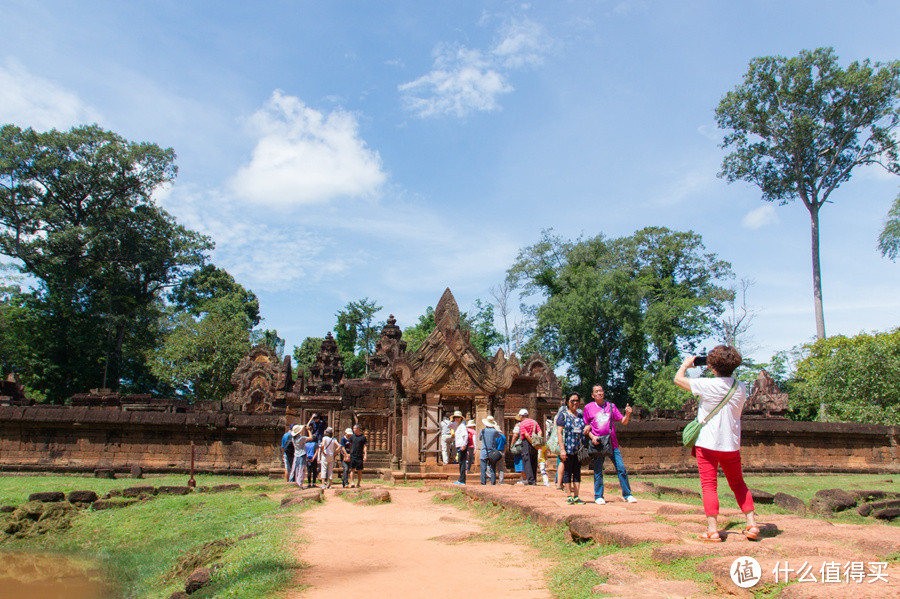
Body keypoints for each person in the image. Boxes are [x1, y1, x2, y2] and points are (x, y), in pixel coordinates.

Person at [674, 345, 759, 542]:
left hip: (707, 443)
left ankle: (713, 530)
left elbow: (678, 379)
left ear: (712, 366)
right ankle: (752, 524)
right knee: (738, 484)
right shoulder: (741, 387)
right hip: (731, 444)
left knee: (709, 486)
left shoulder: (707, 385)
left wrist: (685, 365)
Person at [583, 384, 637, 504]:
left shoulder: (611, 406)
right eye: (596, 391)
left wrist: (627, 414)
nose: (599, 393)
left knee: (621, 468)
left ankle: (627, 494)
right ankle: (598, 495)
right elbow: (586, 427)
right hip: (598, 443)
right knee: (598, 470)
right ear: (592, 395)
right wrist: (592, 437)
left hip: (612, 442)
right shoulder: (588, 408)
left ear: (604, 393)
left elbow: (623, 421)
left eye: (601, 391)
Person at [557, 393, 586, 504]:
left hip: (579, 449)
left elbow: (586, 427)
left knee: (577, 472)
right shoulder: (563, 416)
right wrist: (562, 449)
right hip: (568, 447)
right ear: (567, 402)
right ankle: (569, 495)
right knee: (568, 472)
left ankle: (577, 496)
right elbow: (559, 433)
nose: (575, 403)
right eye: (572, 400)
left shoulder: (581, 416)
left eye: (577, 400)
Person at [511, 408, 542, 485]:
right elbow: (540, 431)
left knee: (527, 461)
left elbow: (526, 435)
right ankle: (534, 479)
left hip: (526, 443)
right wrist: (537, 441)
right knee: (534, 461)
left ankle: (530, 480)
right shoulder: (534, 422)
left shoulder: (522, 424)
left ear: (521, 416)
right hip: (535, 443)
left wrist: (532, 443)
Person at [478, 416, 502, 485]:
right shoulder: (494, 431)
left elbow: (480, 438)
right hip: (492, 452)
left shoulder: (482, 431)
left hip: (483, 451)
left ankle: (483, 483)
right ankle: (493, 483)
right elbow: (499, 436)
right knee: (492, 469)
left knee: (483, 469)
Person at [290, 423, 311, 487]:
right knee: (301, 469)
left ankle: (293, 482)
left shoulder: (293, 438)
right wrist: (308, 430)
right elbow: (311, 438)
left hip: (296, 454)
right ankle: (299, 483)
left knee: (295, 468)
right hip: (302, 454)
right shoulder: (300, 438)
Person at [349, 424, 368, 488]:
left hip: (359, 455)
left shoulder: (363, 437)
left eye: (354, 428)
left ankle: (358, 483)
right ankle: (352, 482)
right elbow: (350, 445)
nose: (353, 430)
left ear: (358, 429)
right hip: (353, 455)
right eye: (353, 428)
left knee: (359, 470)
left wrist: (365, 455)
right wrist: (349, 453)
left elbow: (365, 446)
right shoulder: (352, 436)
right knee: (352, 469)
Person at [452, 411, 468, 484]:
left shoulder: (462, 426)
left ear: (461, 419)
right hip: (459, 445)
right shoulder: (457, 426)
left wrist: (464, 445)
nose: (457, 419)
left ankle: (462, 480)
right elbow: (448, 426)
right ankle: (461, 479)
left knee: (462, 463)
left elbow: (465, 436)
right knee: (461, 463)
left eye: (458, 418)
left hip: (462, 446)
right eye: (455, 418)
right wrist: (451, 421)